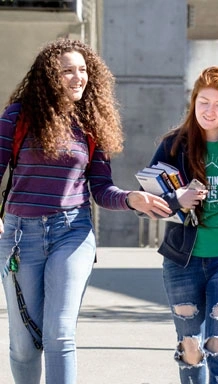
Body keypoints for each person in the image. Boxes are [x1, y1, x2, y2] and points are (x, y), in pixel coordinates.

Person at [0, 38, 171, 384]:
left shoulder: (91, 124)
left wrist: (130, 199)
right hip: (21, 237)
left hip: (72, 233)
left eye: (82, 71)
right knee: (23, 345)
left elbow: (101, 189)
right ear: (49, 76)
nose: (78, 78)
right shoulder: (18, 116)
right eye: (67, 71)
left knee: (59, 334)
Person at [143, 65, 218, 384]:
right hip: (182, 262)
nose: (209, 111)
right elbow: (147, 199)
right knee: (191, 348)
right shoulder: (175, 145)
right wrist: (176, 199)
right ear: (193, 103)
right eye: (203, 103)